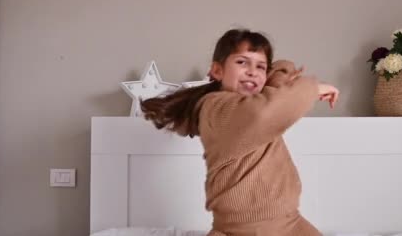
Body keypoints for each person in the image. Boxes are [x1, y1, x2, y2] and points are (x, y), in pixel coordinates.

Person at [141, 28, 339, 236]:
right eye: (242, 62)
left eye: (260, 66)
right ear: (217, 71)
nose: (252, 71)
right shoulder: (218, 108)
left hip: (289, 222)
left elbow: (273, 88)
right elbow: (266, 111)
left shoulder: (251, 103)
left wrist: (277, 73)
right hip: (246, 230)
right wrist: (312, 88)